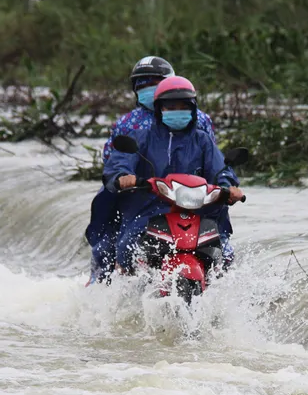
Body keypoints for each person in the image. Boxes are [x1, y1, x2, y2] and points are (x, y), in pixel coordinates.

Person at [84, 56, 224, 284]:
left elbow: (214, 163)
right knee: (111, 247)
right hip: (143, 199)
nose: (148, 88)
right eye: (141, 84)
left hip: (190, 198)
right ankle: (105, 291)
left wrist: (225, 185)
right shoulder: (132, 126)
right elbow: (114, 161)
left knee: (222, 249)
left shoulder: (199, 124)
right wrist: (123, 177)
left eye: (154, 82)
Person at [103, 76, 245, 273]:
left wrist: (229, 187)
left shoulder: (202, 141)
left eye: (183, 106)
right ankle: (127, 296)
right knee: (127, 250)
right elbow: (120, 161)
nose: (177, 111)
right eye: (170, 106)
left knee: (226, 258)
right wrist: (123, 176)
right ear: (159, 109)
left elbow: (221, 169)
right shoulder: (141, 138)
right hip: (150, 212)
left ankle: (225, 299)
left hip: (199, 212)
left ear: (193, 108)